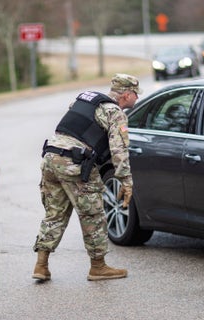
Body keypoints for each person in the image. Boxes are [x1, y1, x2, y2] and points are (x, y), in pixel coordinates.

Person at [32, 73, 141, 281]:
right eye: (136, 94)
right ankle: (98, 267)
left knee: (55, 214)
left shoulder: (84, 99)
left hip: (50, 158)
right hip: (74, 163)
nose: (137, 98)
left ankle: (41, 265)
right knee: (93, 214)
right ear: (126, 94)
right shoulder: (115, 113)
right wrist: (126, 182)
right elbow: (119, 151)